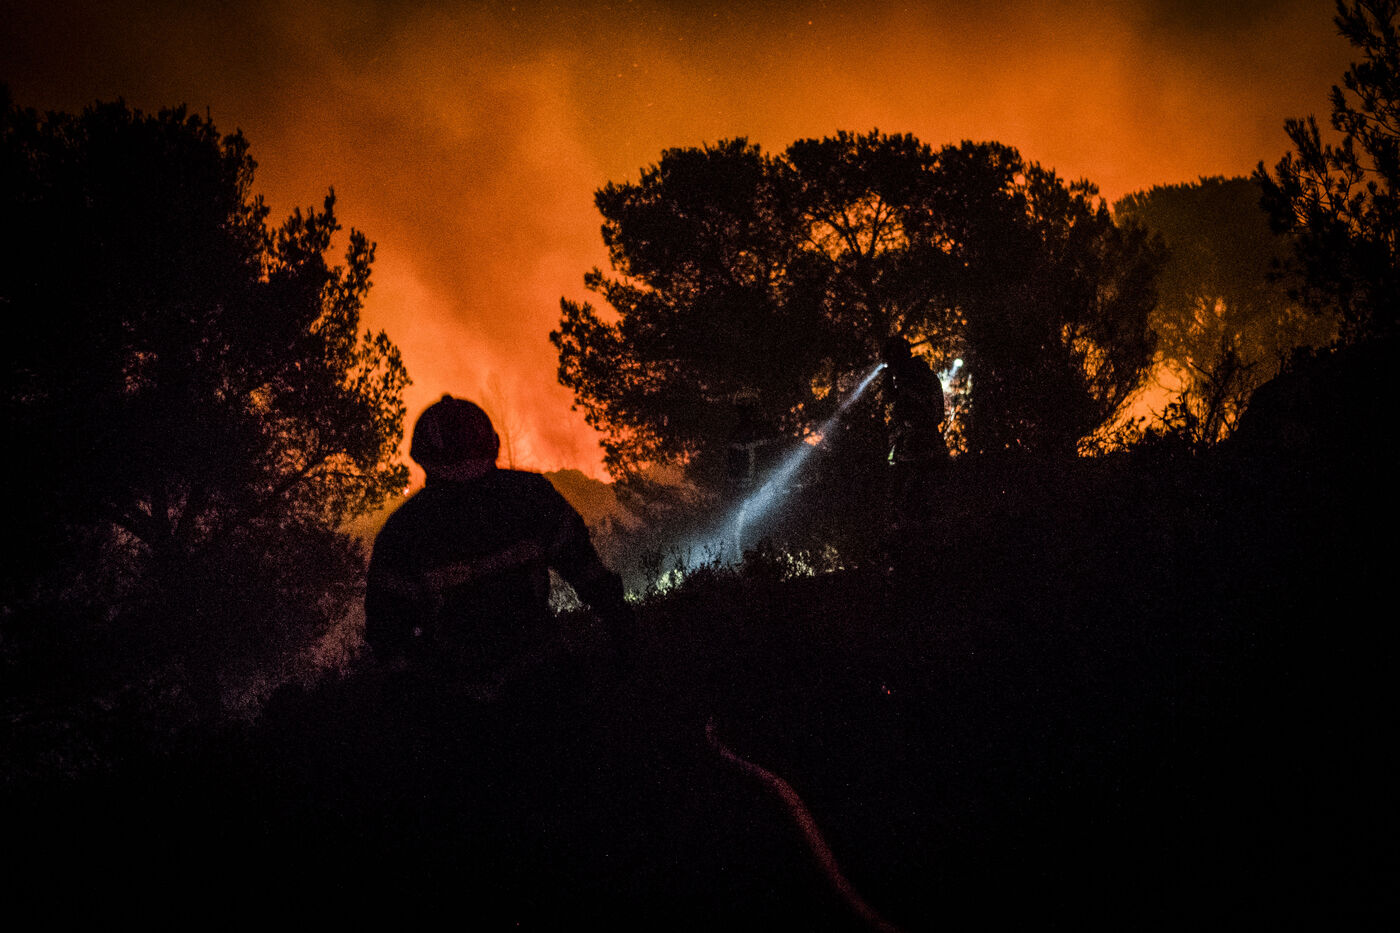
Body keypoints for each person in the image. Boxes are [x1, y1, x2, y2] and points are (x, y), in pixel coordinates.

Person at [365, 394, 635, 698]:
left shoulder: (404, 530)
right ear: (492, 445)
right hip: (545, 686)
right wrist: (626, 642)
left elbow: (387, 634)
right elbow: (588, 573)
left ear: (423, 458)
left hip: (459, 701)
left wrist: (418, 696)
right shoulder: (531, 497)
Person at [882, 335, 948, 531]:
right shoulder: (905, 379)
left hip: (923, 448)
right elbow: (891, 400)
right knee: (898, 499)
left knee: (915, 500)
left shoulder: (920, 379)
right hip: (907, 448)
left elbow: (934, 413)